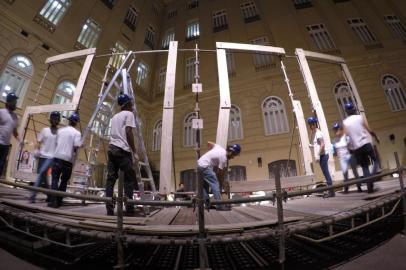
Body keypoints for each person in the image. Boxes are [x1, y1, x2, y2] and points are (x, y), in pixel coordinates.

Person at [105, 93, 139, 216]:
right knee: (128, 180)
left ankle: (109, 209)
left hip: (112, 148)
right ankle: (129, 209)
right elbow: (128, 132)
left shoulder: (114, 117)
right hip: (122, 150)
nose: (132, 105)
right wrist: (134, 151)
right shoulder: (129, 114)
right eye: (131, 103)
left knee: (110, 180)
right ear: (127, 104)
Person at [343, 102, 380, 193]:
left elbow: (347, 137)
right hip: (366, 143)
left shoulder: (345, 122)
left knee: (364, 167)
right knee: (376, 161)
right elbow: (369, 130)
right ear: (354, 109)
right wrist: (375, 136)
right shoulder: (359, 117)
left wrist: (349, 148)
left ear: (346, 112)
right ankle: (372, 177)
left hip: (357, 148)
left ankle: (369, 188)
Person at [48, 112, 81, 208]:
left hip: (57, 157)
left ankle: (52, 200)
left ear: (69, 121)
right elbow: (75, 147)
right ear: (76, 123)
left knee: (54, 179)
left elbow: (56, 143)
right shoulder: (77, 133)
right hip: (68, 159)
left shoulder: (60, 130)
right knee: (64, 181)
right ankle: (59, 201)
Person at [197, 142, 241, 210]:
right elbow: (220, 174)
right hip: (205, 166)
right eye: (234, 155)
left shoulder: (219, 147)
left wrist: (210, 154)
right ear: (231, 152)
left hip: (199, 164)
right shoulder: (223, 158)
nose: (233, 157)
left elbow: (208, 143)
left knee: (204, 186)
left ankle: (207, 205)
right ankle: (219, 206)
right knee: (215, 184)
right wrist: (221, 184)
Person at [30, 111, 60, 203]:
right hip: (42, 156)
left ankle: (32, 196)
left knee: (41, 173)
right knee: (44, 177)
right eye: (53, 118)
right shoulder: (45, 130)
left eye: (56, 118)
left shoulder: (59, 133)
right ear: (50, 119)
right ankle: (49, 195)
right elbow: (38, 141)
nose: (54, 120)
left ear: (58, 120)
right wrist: (37, 150)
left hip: (51, 157)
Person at [307, 116, 335, 197]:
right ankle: (331, 191)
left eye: (312, 124)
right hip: (322, 156)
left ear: (315, 124)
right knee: (325, 173)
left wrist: (318, 156)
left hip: (323, 156)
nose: (310, 126)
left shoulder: (318, 134)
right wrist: (312, 146)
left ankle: (331, 192)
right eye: (310, 125)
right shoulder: (316, 134)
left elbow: (322, 145)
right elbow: (318, 145)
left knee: (326, 174)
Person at [332, 122, 361, 193]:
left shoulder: (346, 137)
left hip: (350, 156)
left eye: (337, 129)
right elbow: (335, 152)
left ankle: (359, 186)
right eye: (334, 130)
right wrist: (334, 152)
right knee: (345, 173)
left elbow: (352, 146)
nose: (336, 131)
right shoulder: (335, 140)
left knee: (355, 172)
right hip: (342, 158)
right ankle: (346, 188)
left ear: (341, 129)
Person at [0, 93, 20, 177]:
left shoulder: (15, 117)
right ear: (8, 102)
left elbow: (15, 132)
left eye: (15, 101)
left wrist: (20, 140)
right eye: (13, 101)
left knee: (1, 166)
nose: (15, 103)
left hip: (6, 146)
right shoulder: (1, 112)